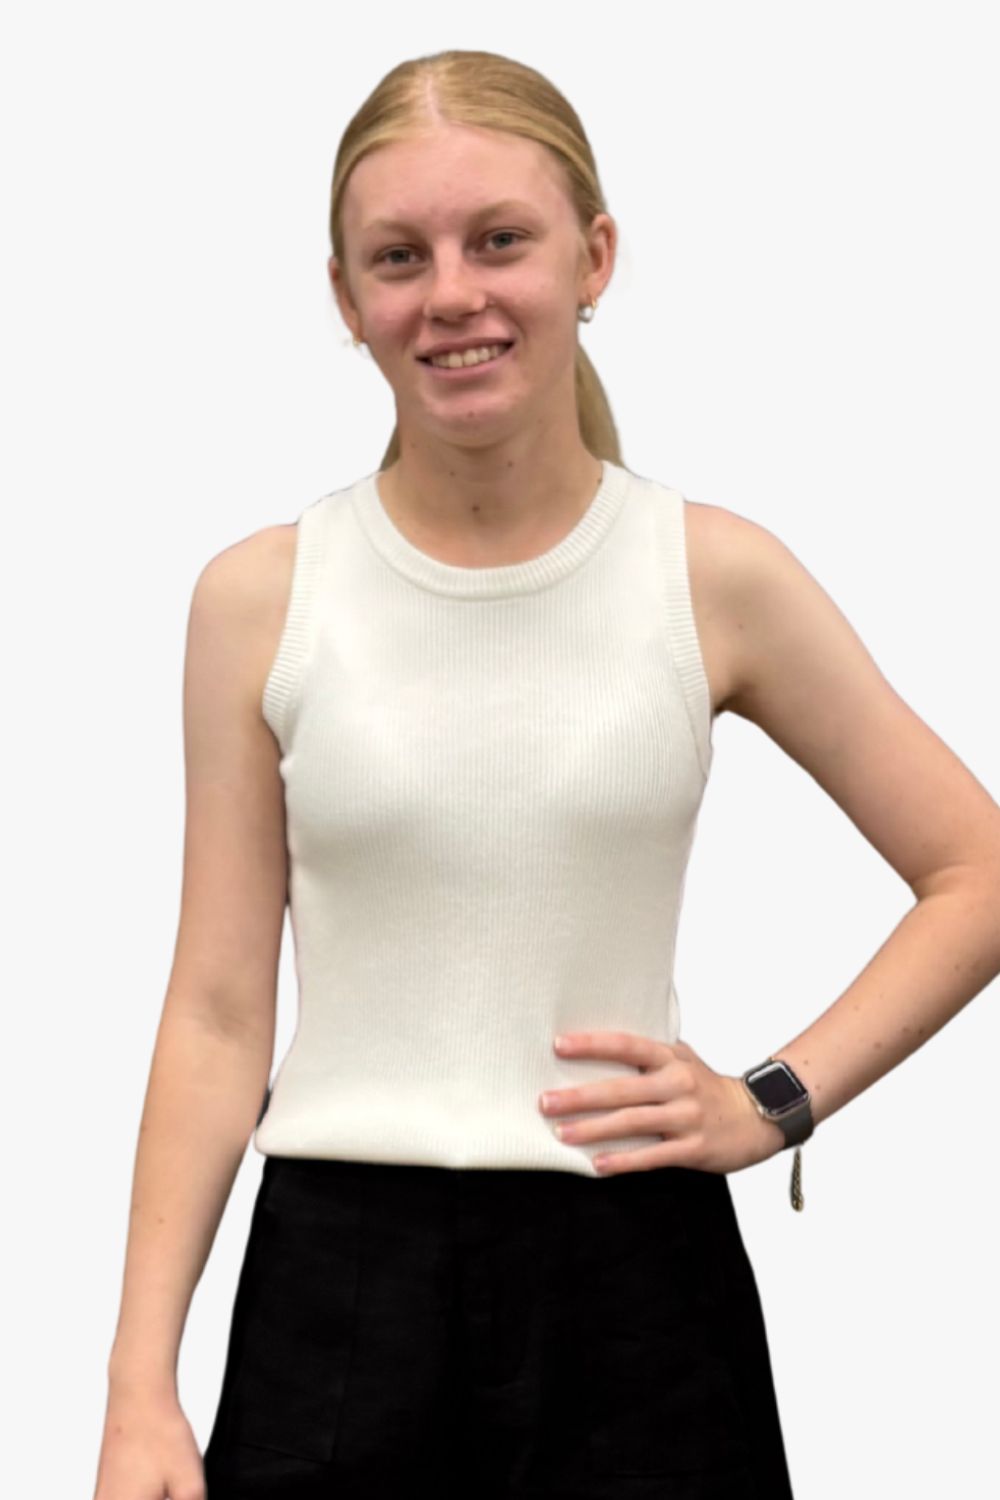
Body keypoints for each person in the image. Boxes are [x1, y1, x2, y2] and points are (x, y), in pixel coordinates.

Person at [93, 47, 1000, 1500]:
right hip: (338, 1300)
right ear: (346, 298)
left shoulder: (713, 578)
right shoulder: (261, 600)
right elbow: (214, 1013)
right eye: (400, 256)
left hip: (638, 1300)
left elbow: (977, 871)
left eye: (499, 240)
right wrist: (139, 1386)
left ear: (595, 259)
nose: (451, 294)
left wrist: (773, 1099)